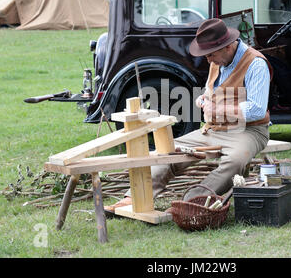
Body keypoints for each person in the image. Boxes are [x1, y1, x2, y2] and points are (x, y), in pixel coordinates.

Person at [104, 18, 272, 212]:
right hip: (215, 128)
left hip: (248, 131)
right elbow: (215, 92)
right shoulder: (218, 60)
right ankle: (134, 198)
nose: (208, 60)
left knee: (235, 161)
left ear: (227, 47)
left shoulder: (255, 64)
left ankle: (191, 202)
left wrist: (217, 110)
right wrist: (204, 99)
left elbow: (257, 109)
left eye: (210, 55)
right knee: (168, 150)